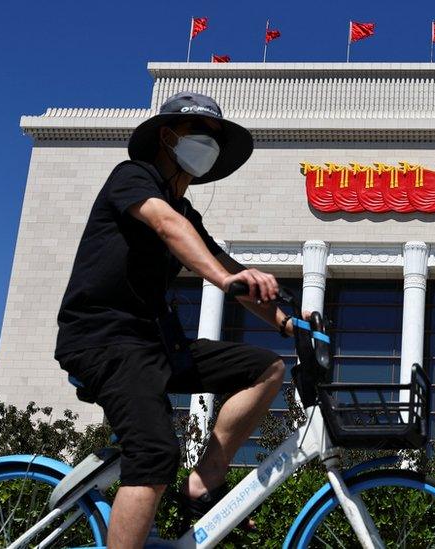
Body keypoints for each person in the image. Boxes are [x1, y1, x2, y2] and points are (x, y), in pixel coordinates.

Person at [55, 92, 302, 548]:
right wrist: (223, 280)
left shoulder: (188, 213)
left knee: (266, 368)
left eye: (216, 139)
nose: (209, 144)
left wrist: (291, 323)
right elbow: (169, 228)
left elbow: (224, 264)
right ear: (167, 137)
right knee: (153, 452)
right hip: (103, 339)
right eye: (200, 135)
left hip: (155, 346)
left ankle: (203, 482)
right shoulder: (132, 179)